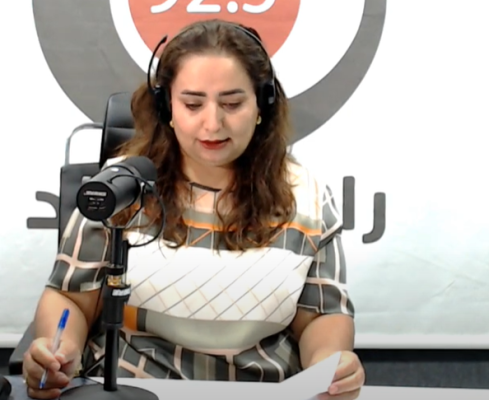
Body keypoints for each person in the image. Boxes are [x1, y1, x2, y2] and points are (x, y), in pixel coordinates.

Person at [21, 19, 364, 400]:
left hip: (261, 390)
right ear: (167, 106)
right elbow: (71, 298)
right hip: (135, 387)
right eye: (192, 104)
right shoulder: (121, 190)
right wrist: (59, 353)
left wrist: (328, 365)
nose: (212, 124)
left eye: (232, 104)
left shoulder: (307, 199)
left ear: (262, 105)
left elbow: (320, 316)